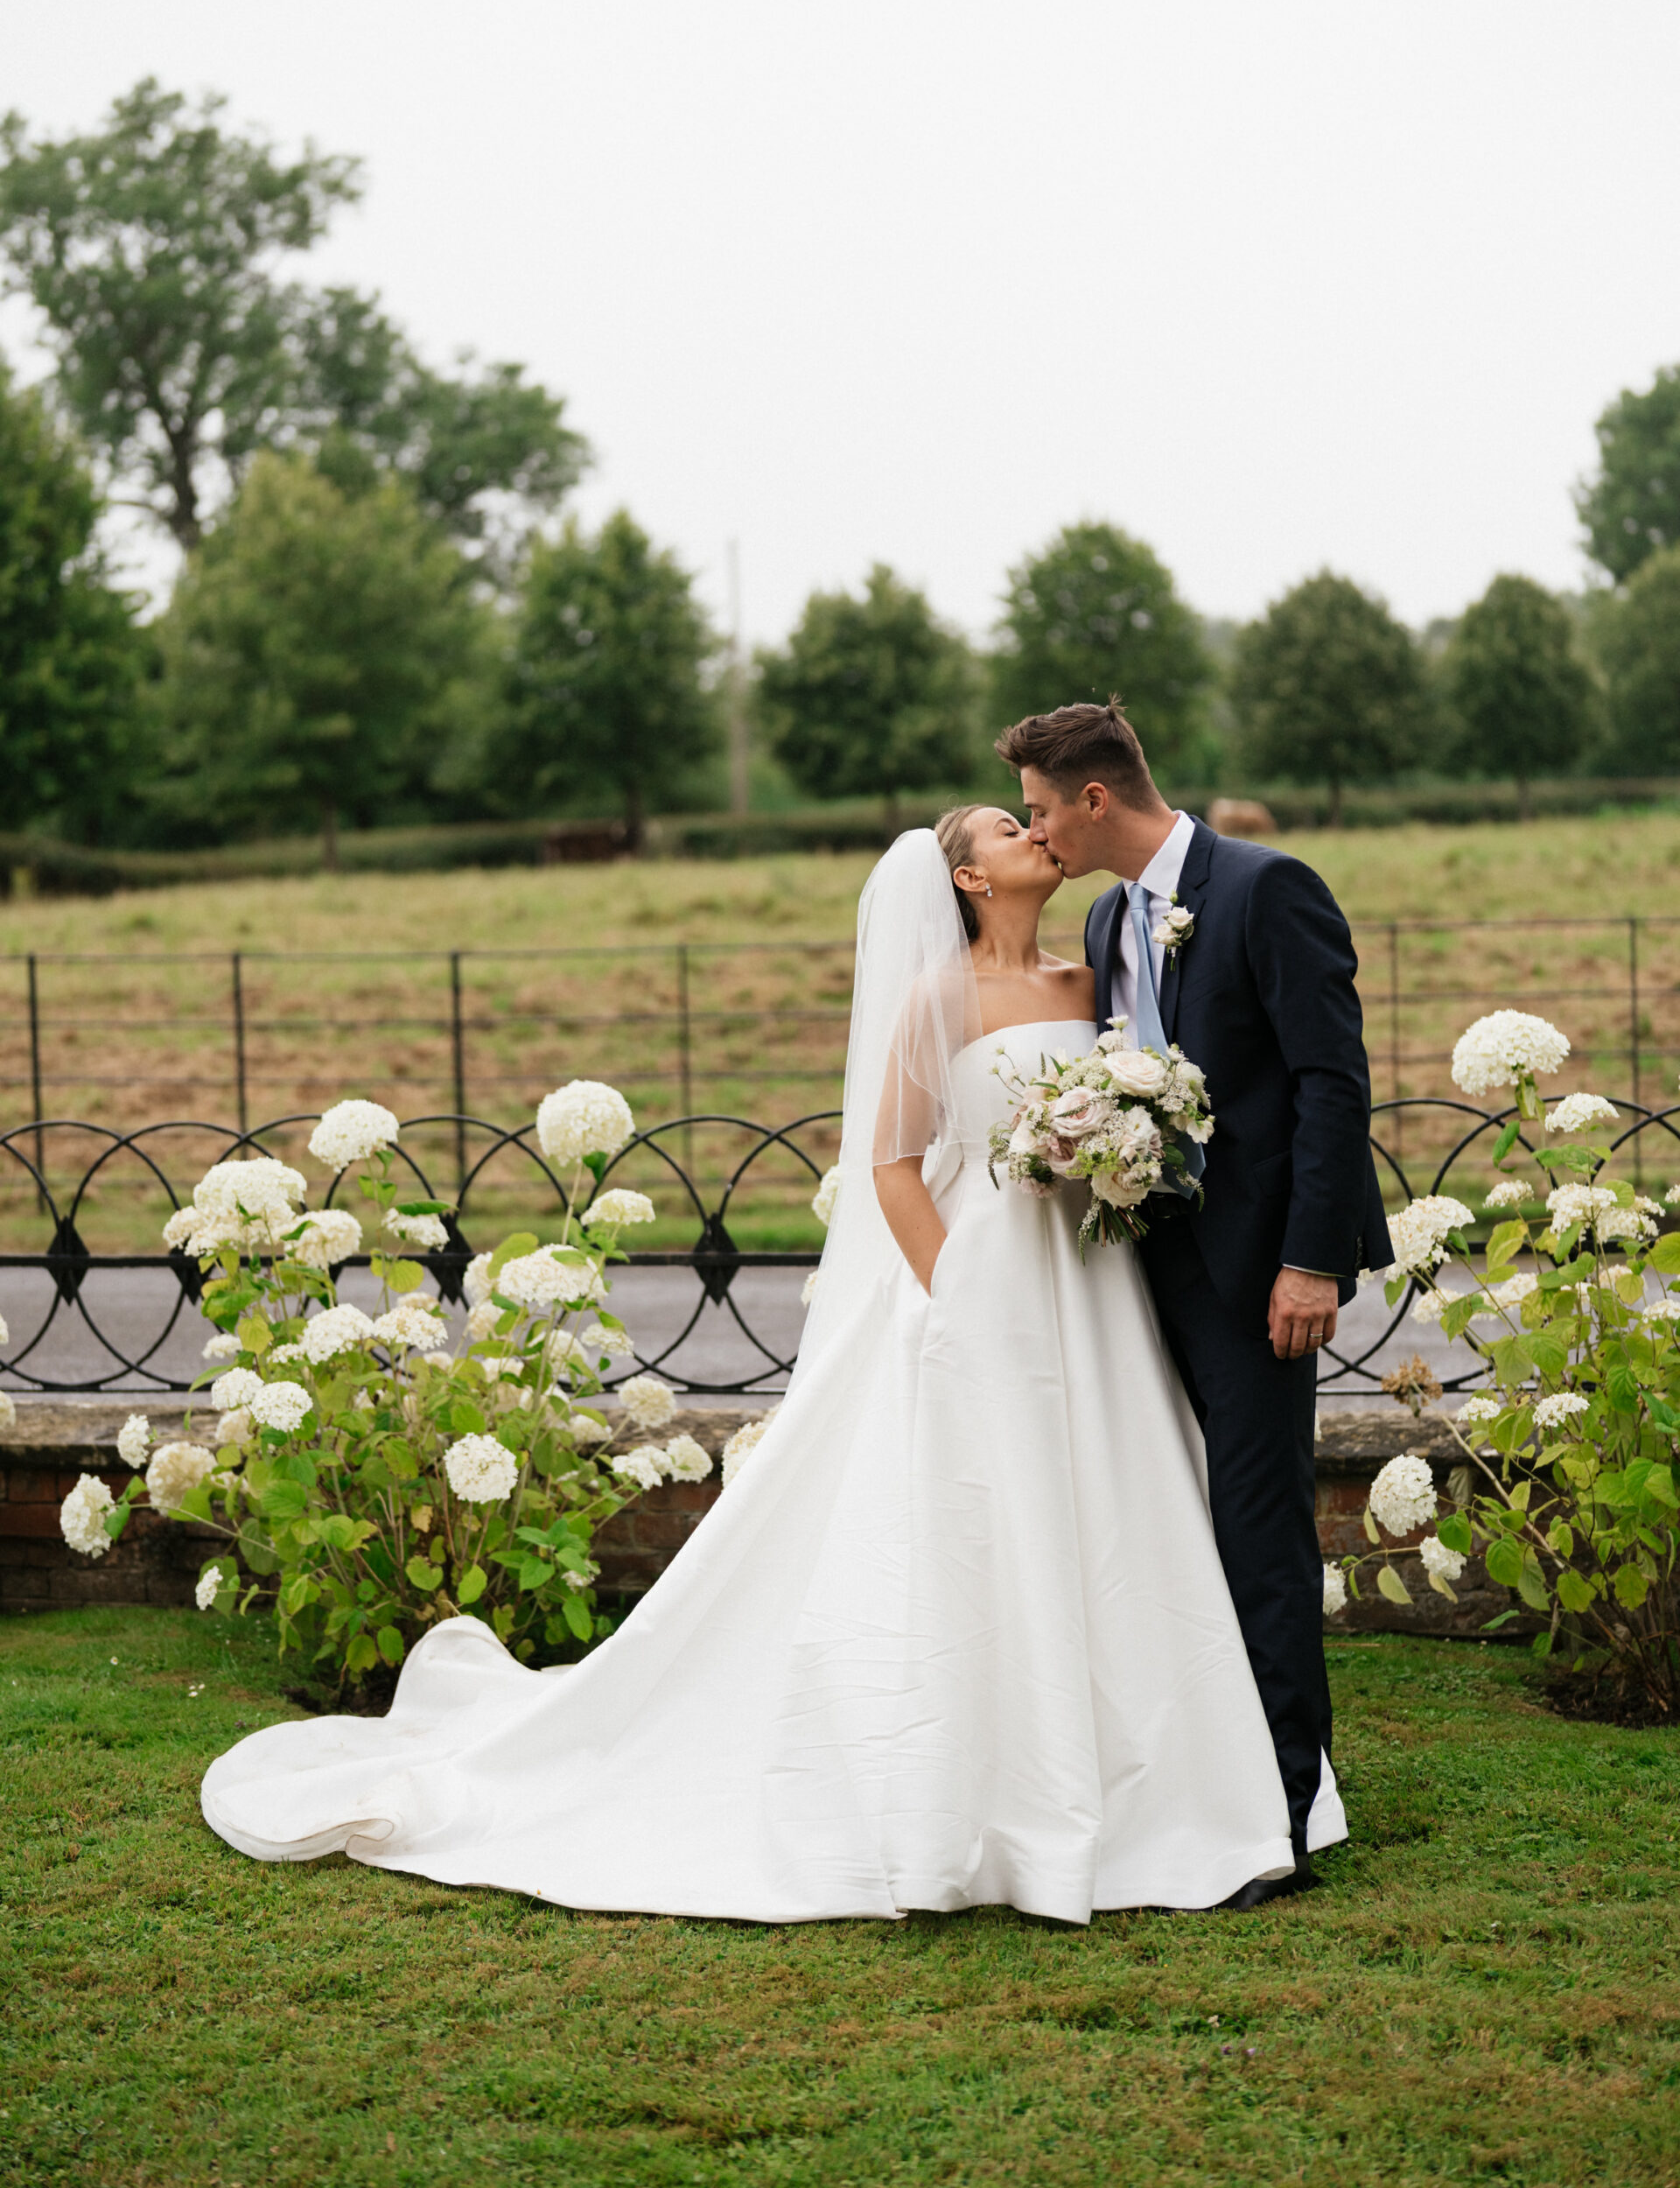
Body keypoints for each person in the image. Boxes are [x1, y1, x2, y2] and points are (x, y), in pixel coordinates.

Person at [201, 817, 1320, 1918]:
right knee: (991, 1514)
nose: (1035, 832)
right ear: (969, 878)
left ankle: (1164, 1777)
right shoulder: (937, 999)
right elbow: (891, 1168)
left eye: (1036, 819)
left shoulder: (1090, 982)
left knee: (1120, 1504)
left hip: (1095, 1283)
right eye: (1006, 829)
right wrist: (959, 1303)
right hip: (987, 1283)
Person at [999, 697, 1390, 1874]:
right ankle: (1192, 1768)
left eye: (1040, 812)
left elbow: (1331, 1081)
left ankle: (1281, 1802)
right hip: (1139, 1275)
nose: (1036, 836)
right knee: (1168, 1523)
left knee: (1260, 1526)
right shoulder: (1116, 913)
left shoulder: (1271, 889)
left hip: (1260, 1275)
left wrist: (1312, 1259)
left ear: (1095, 799)